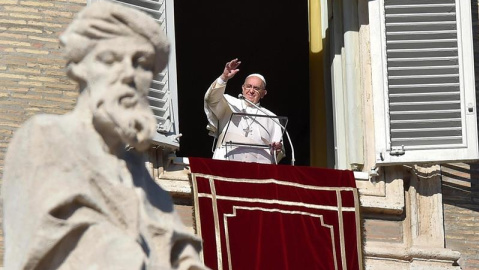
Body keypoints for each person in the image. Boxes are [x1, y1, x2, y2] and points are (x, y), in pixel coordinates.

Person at [2, 2, 208, 270]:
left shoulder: (149, 186)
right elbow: (33, 243)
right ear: (79, 67)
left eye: (142, 63)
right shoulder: (44, 139)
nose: (128, 75)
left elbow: (181, 255)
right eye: (110, 59)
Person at [204, 58, 284, 164]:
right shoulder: (228, 102)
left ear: (264, 93)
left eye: (256, 88)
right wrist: (224, 78)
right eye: (248, 86)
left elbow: (279, 149)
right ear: (242, 88)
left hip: (258, 171)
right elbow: (211, 99)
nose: (251, 91)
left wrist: (278, 149)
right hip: (227, 165)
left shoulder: (271, 117)